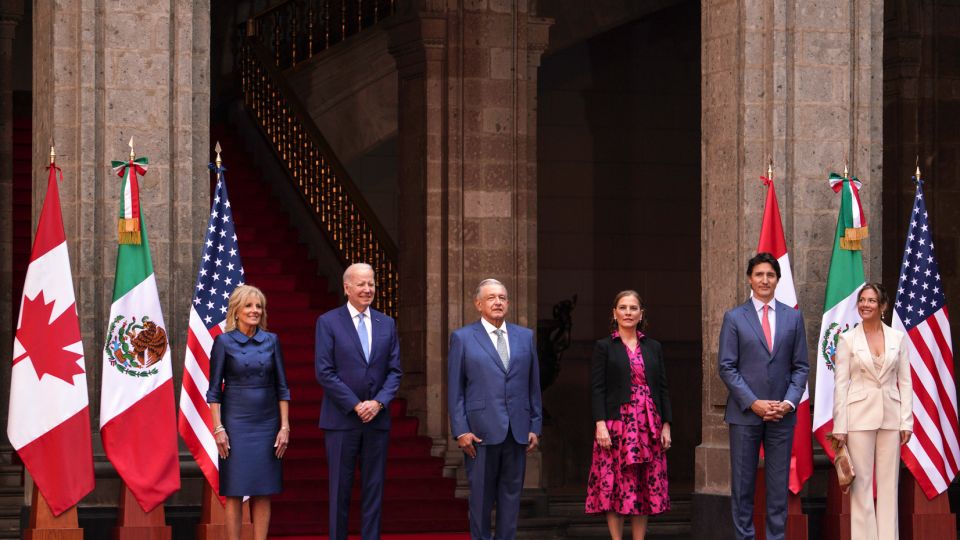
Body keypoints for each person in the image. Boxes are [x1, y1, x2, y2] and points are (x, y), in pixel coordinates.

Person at [718, 252, 809, 540]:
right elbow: (726, 366)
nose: (764, 280)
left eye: (770, 275)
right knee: (743, 488)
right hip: (745, 414)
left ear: (777, 280)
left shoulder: (793, 317)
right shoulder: (734, 317)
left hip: (782, 416)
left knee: (777, 488)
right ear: (750, 279)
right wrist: (754, 403)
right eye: (759, 275)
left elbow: (801, 366)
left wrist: (788, 402)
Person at [448, 278, 543, 540]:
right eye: (491, 298)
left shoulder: (525, 337)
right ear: (478, 304)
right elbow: (455, 390)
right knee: (480, 501)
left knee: (510, 500)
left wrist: (535, 425)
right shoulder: (462, 338)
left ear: (508, 303)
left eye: (502, 297)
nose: (498, 302)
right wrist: (460, 431)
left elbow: (533, 385)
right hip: (479, 433)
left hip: (517, 431)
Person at [315, 262, 402, 540]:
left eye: (371, 284)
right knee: (340, 490)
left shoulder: (386, 323)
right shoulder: (328, 322)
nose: (367, 289)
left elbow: (394, 371)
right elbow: (324, 371)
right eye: (361, 284)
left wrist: (378, 403)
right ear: (347, 287)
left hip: (377, 420)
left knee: (374, 489)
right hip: (342, 420)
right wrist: (356, 404)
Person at [585, 290, 672, 540]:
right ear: (614, 313)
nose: (628, 313)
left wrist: (666, 424)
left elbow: (663, 387)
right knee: (616, 484)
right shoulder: (604, 346)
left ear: (641, 313)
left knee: (643, 484)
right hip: (616, 425)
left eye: (633, 308)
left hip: (648, 425)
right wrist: (600, 424)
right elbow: (597, 388)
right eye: (623, 308)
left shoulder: (653, 346)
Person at [207, 285, 291, 540]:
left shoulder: (271, 341)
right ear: (237, 310)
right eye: (249, 306)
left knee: (263, 490)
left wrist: (284, 427)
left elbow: (282, 387)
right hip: (236, 424)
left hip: (267, 423)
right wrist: (218, 428)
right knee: (234, 490)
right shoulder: (223, 342)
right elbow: (214, 391)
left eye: (259, 306)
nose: (255, 311)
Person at [832, 283, 913, 540]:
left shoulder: (897, 338)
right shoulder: (847, 339)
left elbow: (906, 381)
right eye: (862, 300)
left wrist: (906, 422)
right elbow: (840, 385)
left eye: (871, 301)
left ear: (883, 306)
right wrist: (839, 427)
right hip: (858, 418)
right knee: (862, 488)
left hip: (891, 416)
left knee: (889, 487)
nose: (865, 305)